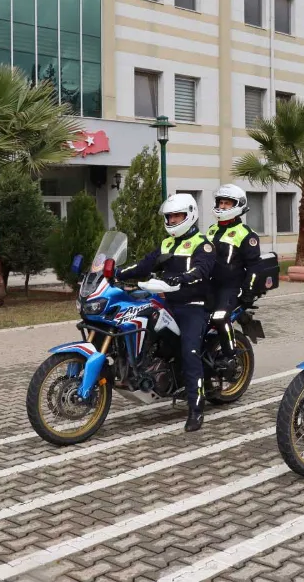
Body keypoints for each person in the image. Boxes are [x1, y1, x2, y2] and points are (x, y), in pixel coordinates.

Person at [117, 193, 216, 432]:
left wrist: (181, 278)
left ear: (190, 215)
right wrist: (115, 273)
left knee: (190, 351)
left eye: (177, 216)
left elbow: (201, 270)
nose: (172, 220)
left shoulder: (203, 244)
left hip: (194, 306)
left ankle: (196, 408)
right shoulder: (166, 244)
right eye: (169, 216)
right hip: (167, 304)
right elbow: (143, 265)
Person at [205, 184, 262, 370]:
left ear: (238, 206)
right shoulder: (211, 230)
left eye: (227, 203)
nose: (222, 207)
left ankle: (231, 357)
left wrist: (248, 292)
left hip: (231, 287)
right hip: (210, 285)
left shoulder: (245, 234)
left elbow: (254, 266)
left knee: (220, 317)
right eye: (220, 202)